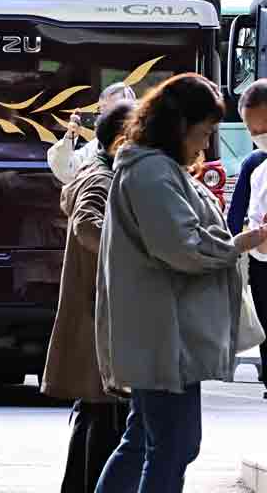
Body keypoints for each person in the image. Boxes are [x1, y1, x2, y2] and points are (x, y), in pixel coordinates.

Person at [94, 74, 267, 493]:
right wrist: (243, 242)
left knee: (146, 442)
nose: (205, 144)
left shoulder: (155, 167)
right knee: (173, 446)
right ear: (180, 125)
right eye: (205, 132)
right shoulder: (152, 172)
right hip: (163, 334)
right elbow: (182, 247)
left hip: (162, 332)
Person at [44, 101, 136, 493]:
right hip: (97, 313)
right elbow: (87, 225)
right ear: (120, 141)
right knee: (104, 417)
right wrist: (133, 255)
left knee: (95, 414)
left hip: (92, 311)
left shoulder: (98, 171)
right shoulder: (100, 178)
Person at [226, 78, 267, 399]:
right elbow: (234, 217)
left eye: (262, 128)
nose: (257, 137)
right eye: (251, 131)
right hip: (260, 261)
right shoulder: (253, 163)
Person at [48, 82, 137, 185]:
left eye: (111, 111)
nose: (103, 117)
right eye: (101, 110)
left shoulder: (145, 145)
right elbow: (67, 170)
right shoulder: (96, 146)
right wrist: (69, 138)